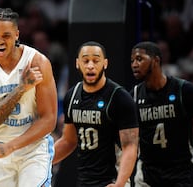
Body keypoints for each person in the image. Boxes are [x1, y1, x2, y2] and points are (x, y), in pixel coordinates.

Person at [0, 7, 57, 187]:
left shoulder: (37, 62)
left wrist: (11, 146)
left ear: (17, 34)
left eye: (6, 36)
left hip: (32, 149)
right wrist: (21, 88)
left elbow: (49, 120)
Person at [53, 41, 139, 187]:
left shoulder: (119, 97)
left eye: (96, 60)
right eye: (86, 60)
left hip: (113, 179)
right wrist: (40, 162)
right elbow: (68, 141)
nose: (90, 65)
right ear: (77, 63)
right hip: (85, 181)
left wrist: (119, 183)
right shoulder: (72, 95)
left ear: (105, 63)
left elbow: (130, 147)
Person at [130, 41, 193, 187]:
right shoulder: (134, 96)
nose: (134, 64)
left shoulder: (185, 91)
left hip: (181, 176)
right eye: (132, 61)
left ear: (156, 60)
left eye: (139, 59)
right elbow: (128, 144)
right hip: (146, 179)